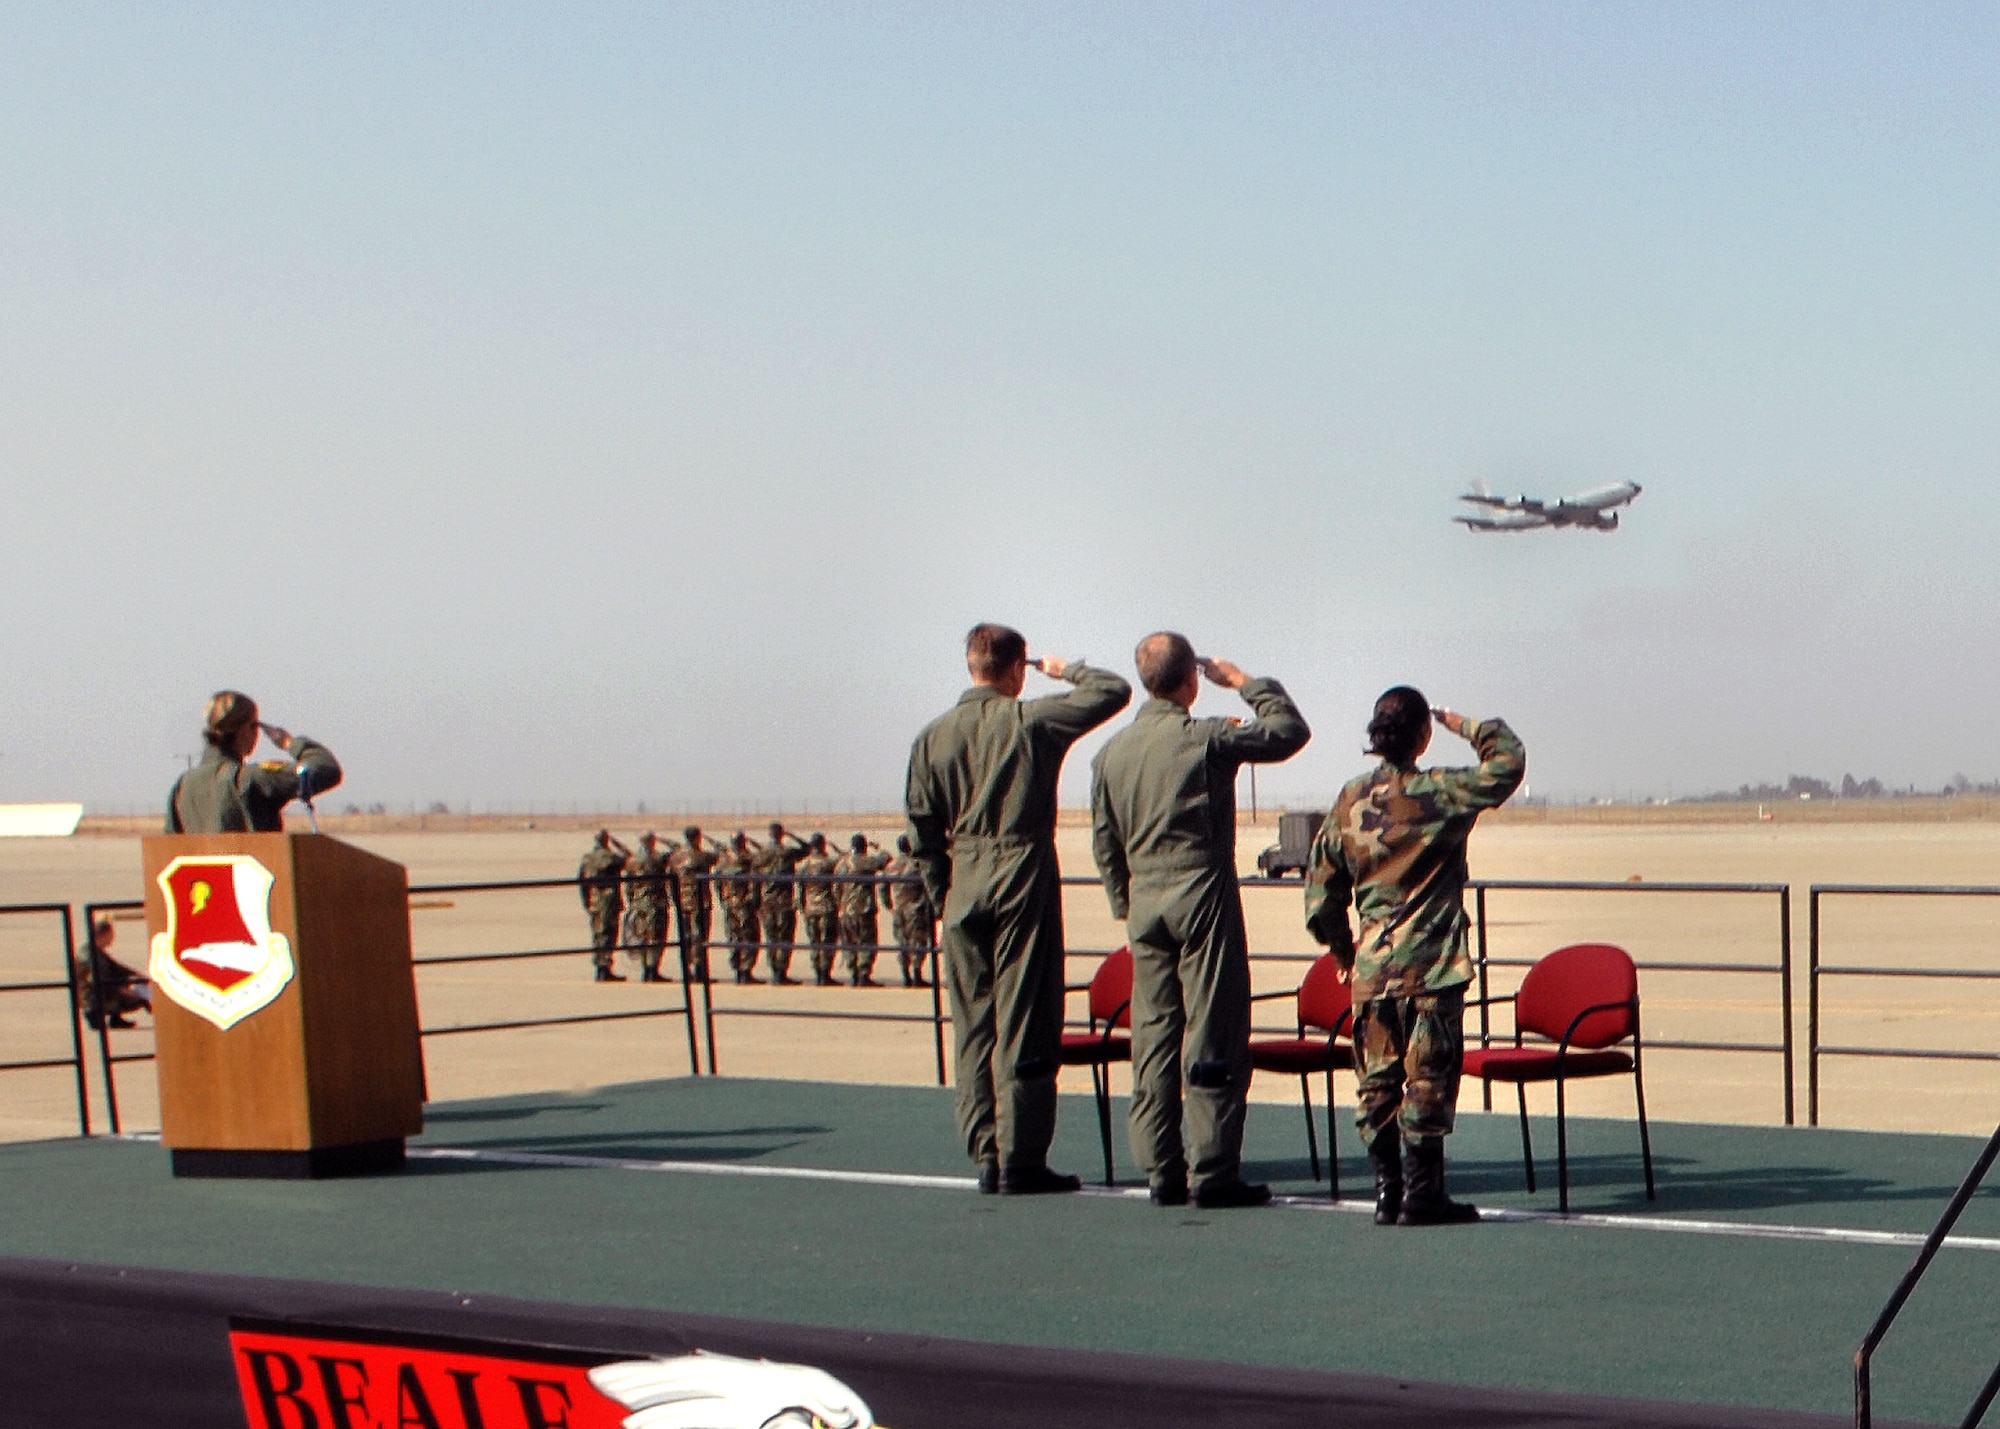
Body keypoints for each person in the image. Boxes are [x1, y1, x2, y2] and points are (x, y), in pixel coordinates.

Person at [906, 622, 1130, 1195]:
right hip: (1020, 871)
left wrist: (943, 896)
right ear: (1015, 669)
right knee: (1025, 1019)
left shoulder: (932, 737)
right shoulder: (1029, 721)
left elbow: (922, 830)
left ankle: (985, 1150)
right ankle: (1020, 1156)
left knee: (974, 1023)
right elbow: (1112, 690)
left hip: (962, 881)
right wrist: (1063, 669)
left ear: (970, 667)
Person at [1090, 634, 1311, 1209]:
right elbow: (1288, 732)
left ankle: (1160, 1167)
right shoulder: (1205, 738)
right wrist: (1243, 682)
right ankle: (1211, 1169)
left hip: (1145, 902)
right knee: (1214, 1030)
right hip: (1200, 891)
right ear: (1191, 678)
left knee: (1154, 1036)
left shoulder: (1111, 753)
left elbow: (1105, 841)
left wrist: (1125, 903)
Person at [1305, 688, 1525, 1226]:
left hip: (1374, 970)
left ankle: (1387, 1192)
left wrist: (1341, 949)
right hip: (1432, 966)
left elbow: (1321, 894)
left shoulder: (1351, 799)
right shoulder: (1443, 792)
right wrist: (1464, 724)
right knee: (1427, 1079)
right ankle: (1422, 1194)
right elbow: (1508, 761)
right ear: (1421, 737)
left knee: (1376, 1082)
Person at [165, 691, 341, 833]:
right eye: (254, 726)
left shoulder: (182, 786)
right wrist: (290, 743)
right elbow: (325, 769)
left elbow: (170, 848)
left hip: (204, 877)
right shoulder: (252, 778)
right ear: (245, 729)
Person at [753, 822, 811, 985]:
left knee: (771, 938)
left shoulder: (761, 854)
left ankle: (774, 971)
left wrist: (756, 902)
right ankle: (781, 972)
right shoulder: (787, 852)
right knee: (785, 937)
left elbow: (754, 880)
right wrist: (792, 835)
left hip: (767, 901)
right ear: (781, 834)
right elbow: (807, 848)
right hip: (784, 901)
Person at [835, 833, 893, 987]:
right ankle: (863, 975)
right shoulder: (864, 861)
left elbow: (836, 887)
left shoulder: (842, 863)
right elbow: (885, 858)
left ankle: (853, 974)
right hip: (863, 908)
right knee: (867, 941)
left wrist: (839, 904)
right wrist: (877, 848)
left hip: (846, 909)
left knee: (849, 942)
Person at [75, 917, 149, 1031]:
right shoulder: (91, 955)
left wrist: (139, 976)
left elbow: (117, 968)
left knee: (122, 979)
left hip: (97, 993)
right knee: (137, 1000)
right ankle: (94, 1014)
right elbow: (97, 981)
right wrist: (124, 991)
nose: (112, 939)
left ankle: (115, 1018)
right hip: (91, 998)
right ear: (103, 935)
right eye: (111, 935)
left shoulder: (95, 951)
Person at [577, 830, 632, 983]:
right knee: (609, 934)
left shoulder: (587, 858)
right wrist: (618, 844)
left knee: (597, 934)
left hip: (594, 902)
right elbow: (629, 859)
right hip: (609, 902)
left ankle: (600, 968)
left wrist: (586, 902)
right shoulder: (611, 857)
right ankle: (605, 968)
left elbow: (582, 882)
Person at [884, 834, 934, 988]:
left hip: (899, 908)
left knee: (902, 941)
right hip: (915, 909)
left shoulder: (891, 865)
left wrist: (888, 904)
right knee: (918, 942)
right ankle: (917, 976)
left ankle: (905, 976)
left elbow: (882, 886)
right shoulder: (916, 864)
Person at [624, 832, 674, 982]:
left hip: (638, 903)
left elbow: (628, 886)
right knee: (656, 935)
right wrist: (664, 839)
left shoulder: (632, 860)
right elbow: (677, 849)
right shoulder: (656, 859)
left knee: (642, 935)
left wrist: (633, 901)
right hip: (655, 903)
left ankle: (646, 970)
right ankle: (652, 970)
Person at [716, 831, 764, 984]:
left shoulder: (723, 860)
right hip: (744, 904)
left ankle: (737, 970)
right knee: (749, 936)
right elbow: (755, 880)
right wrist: (754, 900)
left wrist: (723, 898)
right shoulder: (747, 859)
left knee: (733, 936)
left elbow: (717, 882)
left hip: (729, 903)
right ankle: (745, 971)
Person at [673, 826, 719, 982]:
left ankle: (686, 971)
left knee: (685, 936)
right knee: (699, 935)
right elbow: (718, 856)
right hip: (698, 901)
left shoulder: (676, 856)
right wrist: (713, 842)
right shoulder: (700, 856)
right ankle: (699, 971)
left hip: (682, 900)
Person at [796, 834, 842, 986]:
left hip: (810, 907)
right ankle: (825, 974)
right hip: (826, 907)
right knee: (827, 941)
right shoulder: (828, 863)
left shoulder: (804, 865)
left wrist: (802, 907)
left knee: (815, 941)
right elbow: (842, 858)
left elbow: (800, 889)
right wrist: (834, 848)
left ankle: (817, 973)